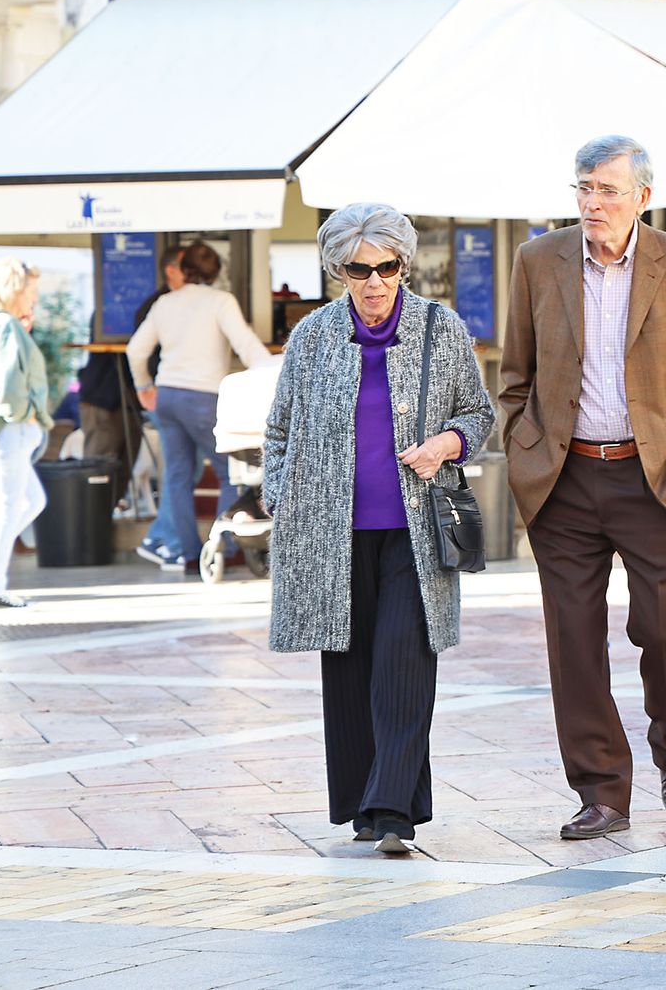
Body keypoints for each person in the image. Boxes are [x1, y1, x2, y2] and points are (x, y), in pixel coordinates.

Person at [499, 135, 666, 841]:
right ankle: (601, 789)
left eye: (607, 189)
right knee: (573, 642)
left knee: (665, 629)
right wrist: (525, 453)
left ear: (642, 197)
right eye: (584, 188)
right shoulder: (538, 260)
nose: (592, 202)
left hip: (656, 480)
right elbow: (515, 378)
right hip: (563, 480)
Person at [264, 203, 494, 854]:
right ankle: (364, 805)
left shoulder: (439, 329)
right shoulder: (312, 336)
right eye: (359, 269)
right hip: (328, 534)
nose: (374, 282)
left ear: (403, 266)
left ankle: (393, 810)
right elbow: (279, 428)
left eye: (386, 267)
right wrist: (281, 497)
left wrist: (446, 443)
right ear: (339, 271)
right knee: (347, 669)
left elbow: (478, 413)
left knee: (402, 662)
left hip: (414, 532)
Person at [127, 241, 272, 573]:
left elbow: (135, 350)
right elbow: (246, 346)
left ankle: (189, 555)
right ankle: (226, 548)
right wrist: (274, 371)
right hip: (204, 398)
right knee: (229, 472)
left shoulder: (164, 302)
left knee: (177, 476)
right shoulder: (221, 301)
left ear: (184, 268)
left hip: (167, 396)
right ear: (216, 271)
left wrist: (143, 387)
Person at [0, 259, 50, 609]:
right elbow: (8, 385)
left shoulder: (7, 325)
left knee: (28, 502)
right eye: (31, 290)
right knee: (10, 505)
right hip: (11, 429)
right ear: (16, 289)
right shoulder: (6, 326)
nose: (35, 297)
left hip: (11, 429)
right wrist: (25, 413)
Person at [132, 247, 187, 567]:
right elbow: (139, 352)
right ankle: (162, 538)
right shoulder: (160, 304)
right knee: (181, 471)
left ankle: (161, 537)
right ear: (171, 271)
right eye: (185, 267)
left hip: (166, 395)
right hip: (165, 396)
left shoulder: (168, 303)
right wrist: (145, 388)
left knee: (181, 470)